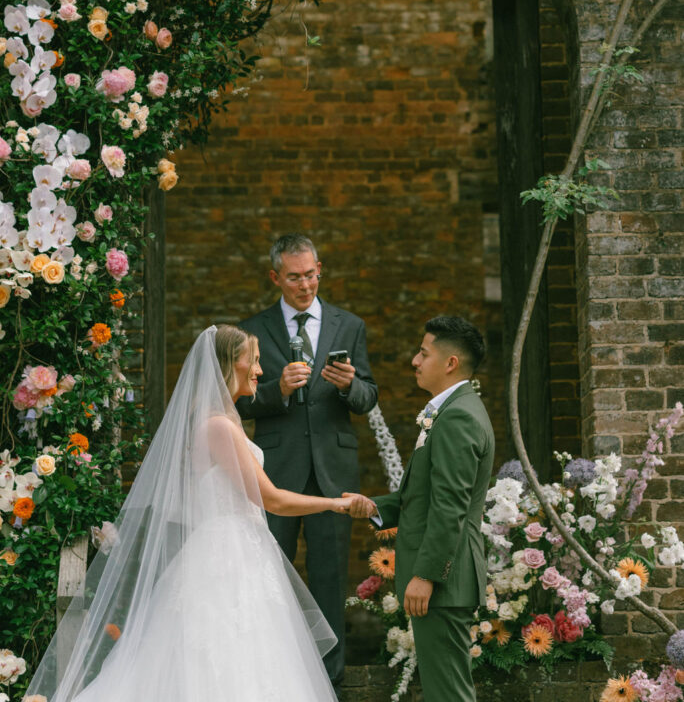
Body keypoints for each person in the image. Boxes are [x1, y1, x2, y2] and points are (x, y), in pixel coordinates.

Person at [25, 325, 353, 702]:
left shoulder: (218, 421)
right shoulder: (217, 427)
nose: (261, 371)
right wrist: (334, 503)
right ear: (231, 364)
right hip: (228, 558)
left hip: (235, 551)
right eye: (255, 361)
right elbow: (273, 500)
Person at [237, 233, 378, 688]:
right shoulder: (253, 328)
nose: (305, 285)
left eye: (311, 275)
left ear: (321, 269)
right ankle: (271, 683)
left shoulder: (349, 325)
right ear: (275, 277)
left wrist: (346, 384)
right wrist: (276, 390)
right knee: (268, 576)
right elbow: (236, 402)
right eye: (294, 277)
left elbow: (367, 397)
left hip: (332, 472)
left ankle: (328, 687)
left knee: (330, 581)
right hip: (275, 471)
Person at [345, 315, 495, 702]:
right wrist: (371, 508)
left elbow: (451, 507)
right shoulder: (449, 411)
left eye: (423, 353)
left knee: (449, 694)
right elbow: (425, 497)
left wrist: (426, 576)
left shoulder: (458, 416)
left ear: (450, 363)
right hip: (447, 583)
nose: (414, 360)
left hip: (444, 583)